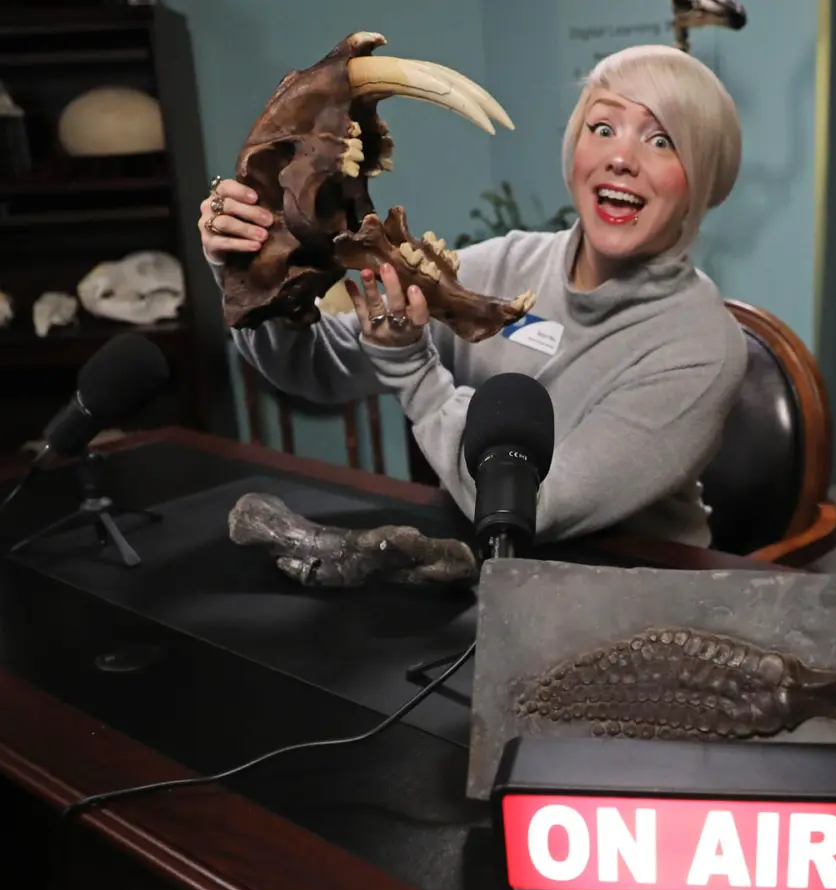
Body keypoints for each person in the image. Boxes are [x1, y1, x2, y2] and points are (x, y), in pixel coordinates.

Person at [199, 44, 748, 549]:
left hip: (633, 599)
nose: (621, 158)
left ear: (702, 178)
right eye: (602, 128)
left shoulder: (701, 344)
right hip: (479, 572)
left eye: (661, 140)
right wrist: (253, 265)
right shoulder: (505, 266)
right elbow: (313, 368)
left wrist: (413, 371)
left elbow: (537, 509)